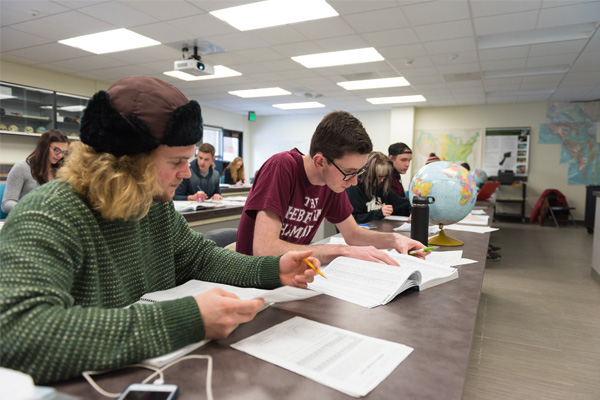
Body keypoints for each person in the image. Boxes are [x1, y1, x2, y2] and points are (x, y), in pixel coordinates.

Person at [0, 76, 317, 384]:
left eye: (189, 159)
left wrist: (272, 269)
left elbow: (197, 258)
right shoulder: (49, 213)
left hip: (152, 374)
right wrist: (187, 320)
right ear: (126, 162)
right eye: (176, 160)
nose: (186, 172)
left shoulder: (152, 202)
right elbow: (20, 332)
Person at [236, 110, 427, 265]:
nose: (353, 182)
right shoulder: (281, 167)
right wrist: (342, 250)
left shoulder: (331, 182)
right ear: (320, 162)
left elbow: (353, 234)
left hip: (289, 274)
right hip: (252, 278)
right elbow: (264, 250)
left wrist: (395, 240)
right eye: (349, 172)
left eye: (358, 172)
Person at [1, 129, 69, 215]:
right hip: (27, 220)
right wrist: (30, 210)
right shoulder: (22, 168)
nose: (60, 155)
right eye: (56, 150)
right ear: (44, 147)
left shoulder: (62, 171)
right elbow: (6, 203)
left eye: (63, 152)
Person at [346, 151, 411, 223]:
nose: (382, 180)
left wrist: (413, 210)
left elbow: (404, 204)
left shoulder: (381, 188)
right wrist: (379, 213)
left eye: (384, 177)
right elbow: (352, 219)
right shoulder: (353, 189)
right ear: (367, 174)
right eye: (379, 177)